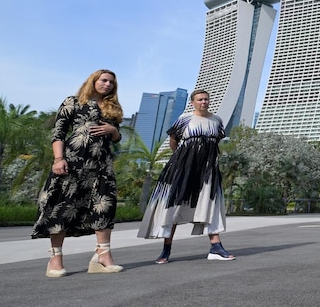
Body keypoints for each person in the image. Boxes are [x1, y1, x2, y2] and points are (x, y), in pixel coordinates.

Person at [32, 69, 125, 277]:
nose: (108, 84)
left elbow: (117, 138)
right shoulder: (73, 102)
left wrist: (113, 131)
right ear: (93, 81)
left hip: (102, 165)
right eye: (104, 80)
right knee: (62, 208)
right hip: (73, 162)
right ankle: (55, 259)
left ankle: (103, 257)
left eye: (111, 82)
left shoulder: (112, 108)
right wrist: (59, 159)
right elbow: (59, 133)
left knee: (104, 207)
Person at [137, 89, 235, 262]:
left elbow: (214, 143)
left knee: (209, 205)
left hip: (207, 170)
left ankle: (216, 247)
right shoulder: (184, 119)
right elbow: (173, 140)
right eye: (200, 99)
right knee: (175, 205)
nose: (203, 102)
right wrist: (181, 160)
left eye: (206, 99)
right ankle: (166, 250)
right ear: (192, 102)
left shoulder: (217, 121)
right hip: (182, 168)